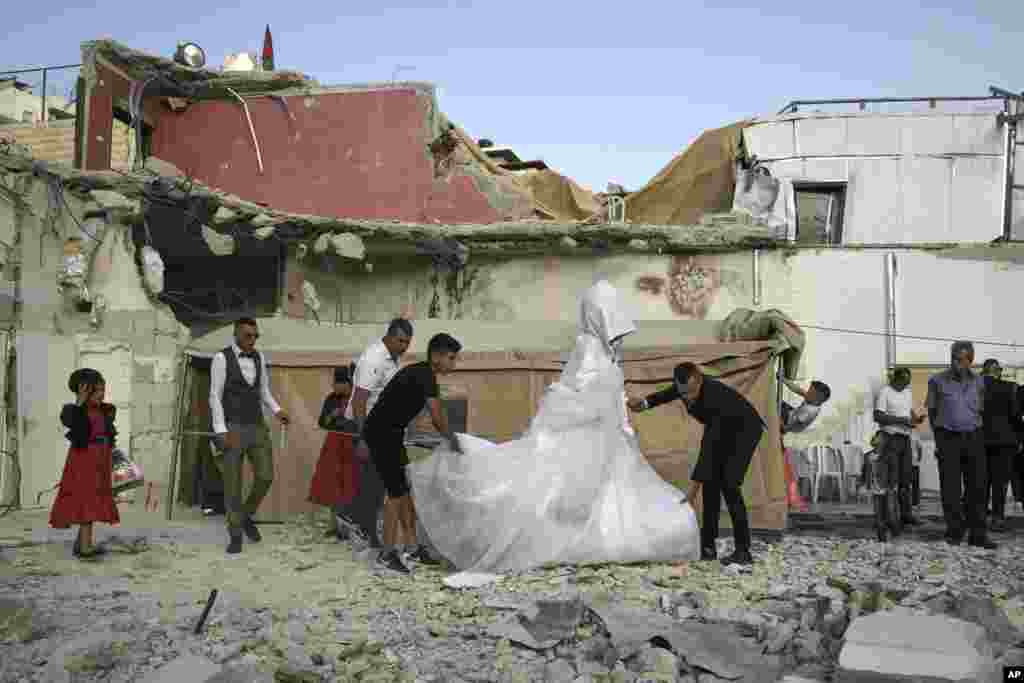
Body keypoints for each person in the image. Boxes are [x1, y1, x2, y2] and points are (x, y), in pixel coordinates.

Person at [409, 280, 700, 588]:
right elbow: (579, 392)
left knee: (623, 502)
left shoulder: (608, 352)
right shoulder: (588, 347)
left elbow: (606, 394)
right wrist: (585, 406)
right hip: (585, 438)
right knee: (561, 495)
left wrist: (621, 421)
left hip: (608, 442)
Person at [631, 362, 766, 566]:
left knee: (729, 485)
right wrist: (643, 404)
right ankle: (708, 547)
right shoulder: (682, 387)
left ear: (700, 379)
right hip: (722, 431)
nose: (688, 397)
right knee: (711, 485)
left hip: (744, 431)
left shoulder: (714, 398)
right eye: (683, 392)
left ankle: (743, 551)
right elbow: (665, 395)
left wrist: (693, 489)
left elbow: (709, 447)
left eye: (692, 392)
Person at [363, 332, 464, 574]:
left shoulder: (422, 373)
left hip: (392, 434)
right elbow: (438, 418)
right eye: (451, 358)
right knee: (395, 495)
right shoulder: (425, 376)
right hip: (381, 435)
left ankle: (411, 547)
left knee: (404, 492)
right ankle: (387, 554)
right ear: (437, 356)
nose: (454, 364)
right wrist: (456, 443)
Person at [209, 317, 290, 554]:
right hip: (232, 427)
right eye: (248, 336)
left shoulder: (259, 357)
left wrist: (277, 410)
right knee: (232, 483)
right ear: (236, 334)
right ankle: (235, 533)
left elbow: (263, 391)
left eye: (256, 336)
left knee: (265, 476)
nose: (252, 340)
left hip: (257, 425)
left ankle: (244, 516)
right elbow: (214, 396)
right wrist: (220, 430)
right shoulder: (221, 358)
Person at [341, 319, 413, 547]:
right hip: (366, 426)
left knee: (377, 482)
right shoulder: (374, 359)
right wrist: (363, 439)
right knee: (373, 481)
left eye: (407, 343)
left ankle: (365, 528)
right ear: (389, 336)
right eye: (400, 341)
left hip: (381, 427)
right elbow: (360, 401)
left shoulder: (392, 358)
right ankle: (354, 520)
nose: (404, 347)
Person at [927, 341, 994, 549]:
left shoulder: (980, 382)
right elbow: (932, 411)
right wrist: (939, 439)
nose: (955, 362)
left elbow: (982, 411)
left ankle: (978, 535)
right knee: (950, 488)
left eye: (960, 359)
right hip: (948, 438)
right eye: (953, 358)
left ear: (970, 360)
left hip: (974, 437)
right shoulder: (936, 381)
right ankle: (954, 532)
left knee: (978, 488)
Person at [50, 368, 121, 559]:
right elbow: (71, 421)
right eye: (96, 391)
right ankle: (85, 547)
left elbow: (108, 435)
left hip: (100, 460)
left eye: (102, 390)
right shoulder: (74, 411)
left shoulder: (105, 411)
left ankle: (81, 543)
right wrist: (80, 403)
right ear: (85, 392)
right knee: (87, 500)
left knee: (93, 499)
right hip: (84, 461)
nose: (101, 394)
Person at [872, 367, 926, 539]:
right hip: (890, 438)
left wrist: (914, 419)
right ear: (894, 379)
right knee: (892, 481)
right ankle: (891, 519)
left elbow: (907, 411)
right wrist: (900, 420)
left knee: (906, 478)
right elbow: (878, 416)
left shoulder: (907, 393)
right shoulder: (885, 392)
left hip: (905, 438)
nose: (905, 385)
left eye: (907, 382)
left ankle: (906, 515)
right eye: (902, 382)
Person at [308, 365, 360, 540]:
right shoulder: (332, 399)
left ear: (349, 383)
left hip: (353, 444)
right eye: (334, 382)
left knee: (351, 483)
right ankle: (334, 526)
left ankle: (351, 527)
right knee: (332, 484)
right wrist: (333, 415)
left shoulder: (358, 399)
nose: (334, 386)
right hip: (334, 443)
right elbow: (323, 423)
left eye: (338, 383)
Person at [980, 359, 1018, 532]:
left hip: (979, 441)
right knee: (1000, 482)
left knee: (981, 482)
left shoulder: (974, 387)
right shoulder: (1010, 387)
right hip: (1004, 442)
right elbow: (1015, 415)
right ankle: (997, 518)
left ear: (984, 371)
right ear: (997, 371)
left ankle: (979, 518)